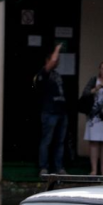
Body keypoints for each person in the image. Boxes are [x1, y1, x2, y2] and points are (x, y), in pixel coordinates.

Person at [36, 43, 68, 177]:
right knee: (47, 140)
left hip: (61, 112)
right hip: (50, 112)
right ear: (47, 61)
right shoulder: (44, 73)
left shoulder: (57, 75)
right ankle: (44, 167)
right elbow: (53, 61)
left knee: (60, 141)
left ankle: (59, 168)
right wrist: (57, 48)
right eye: (55, 59)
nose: (57, 62)